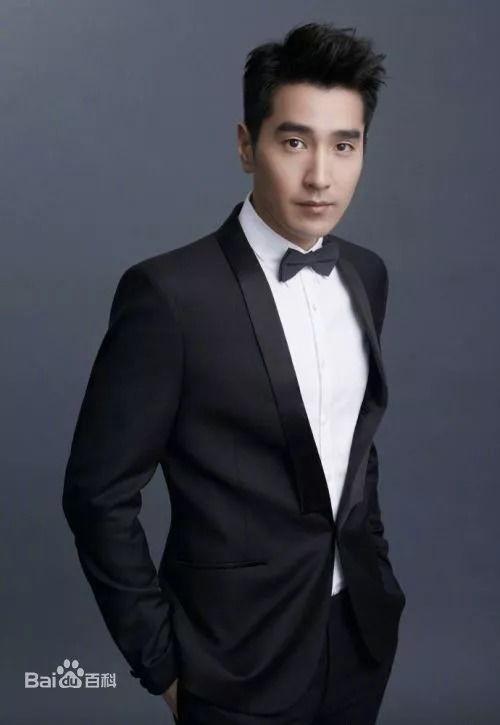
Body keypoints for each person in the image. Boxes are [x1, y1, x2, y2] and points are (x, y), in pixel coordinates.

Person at [62, 21, 407, 724]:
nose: (321, 175)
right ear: (247, 145)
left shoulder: (367, 276)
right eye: (294, 142)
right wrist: (161, 663)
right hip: (232, 660)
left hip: (358, 635)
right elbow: (97, 495)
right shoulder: (169, 297)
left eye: (344, 145)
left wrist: (375, 570)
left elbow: (353, 448)